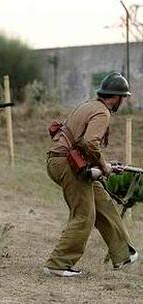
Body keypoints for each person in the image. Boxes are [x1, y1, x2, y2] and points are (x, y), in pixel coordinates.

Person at [44, 72, 138, 277]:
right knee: (84, 214)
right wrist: (104, 167)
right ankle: (58, 264)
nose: (123, 101)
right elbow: (90, 143)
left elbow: (83, 143)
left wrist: (105, 165)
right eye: (123, 97)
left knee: (103, 203)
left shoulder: (89, 105)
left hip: (66, 161)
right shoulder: (103, 112)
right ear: (117, 97)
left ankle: (123, 254)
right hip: (67, 164)